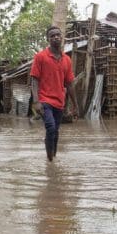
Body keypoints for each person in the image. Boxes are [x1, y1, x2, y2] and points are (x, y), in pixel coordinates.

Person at [30, 26, 77, 161]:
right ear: (48, 39)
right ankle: (50, 160)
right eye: (52, 36)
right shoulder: (40, 57)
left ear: (62, 38)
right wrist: (36, 101)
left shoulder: (67, 60)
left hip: (59, 102)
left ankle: (53, 157)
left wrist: (75, 105)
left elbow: (69, 84)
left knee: (55, 131)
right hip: (44, 100)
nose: (56, 37)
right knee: (50, 128)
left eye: (58, 35)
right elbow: (34, 80)